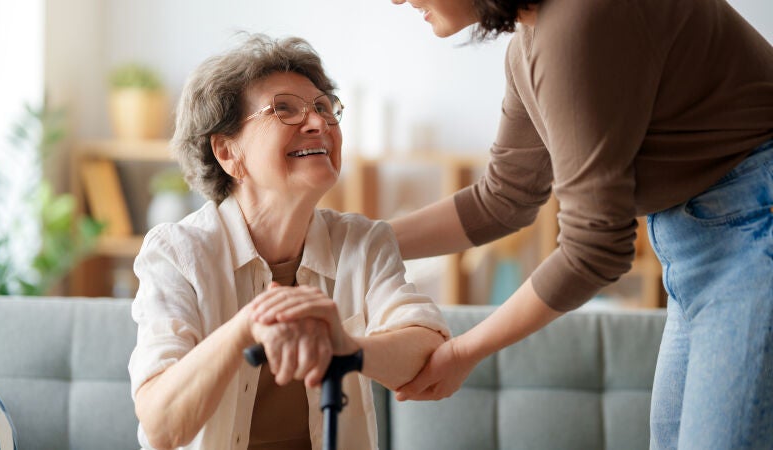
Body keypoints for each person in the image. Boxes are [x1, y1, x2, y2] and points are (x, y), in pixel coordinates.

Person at [382, 0, 773, 448]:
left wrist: (463, 351)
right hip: (704, 250)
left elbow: (594, 249)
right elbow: (504, 198)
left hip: (755, 233)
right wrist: (359, 240)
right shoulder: (532, 42)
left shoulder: (575, 22)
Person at [127, 33, 449, 450]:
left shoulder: (363, 243)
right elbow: (161, 426)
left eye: (324, 108)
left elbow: (429, 351)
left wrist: (345, 348)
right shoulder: (178, 253)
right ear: (228, 153)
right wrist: (247, 327)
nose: (319, 123)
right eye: (285, 109)